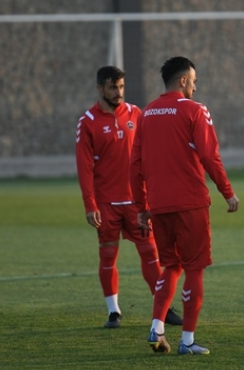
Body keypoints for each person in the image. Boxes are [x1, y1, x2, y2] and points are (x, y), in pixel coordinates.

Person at [131, 56, 239, 355]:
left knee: (171, 266)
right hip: (190, 203)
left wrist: (142, 207)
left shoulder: (146, 113)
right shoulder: (195, 110)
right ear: (182, 80)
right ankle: (187, 340)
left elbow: (135, 164)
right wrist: (227, 192)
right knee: (194, 269)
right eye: (193, 79)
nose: (195, 84)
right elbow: (210, 156)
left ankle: (157, 326)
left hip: (159, 206)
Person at [75, 66, 181, 328]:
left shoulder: (136, 114)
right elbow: (84, 167)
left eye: (121, 87)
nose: (118, 92)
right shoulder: (87, 122)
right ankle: (114, 312)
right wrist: (90, 205)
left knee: (151, 253)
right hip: (106, 204)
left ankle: (163, 308)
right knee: (108, 256)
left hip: (137, 202)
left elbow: (153, 153)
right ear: (100, 89)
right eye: (113, 87)